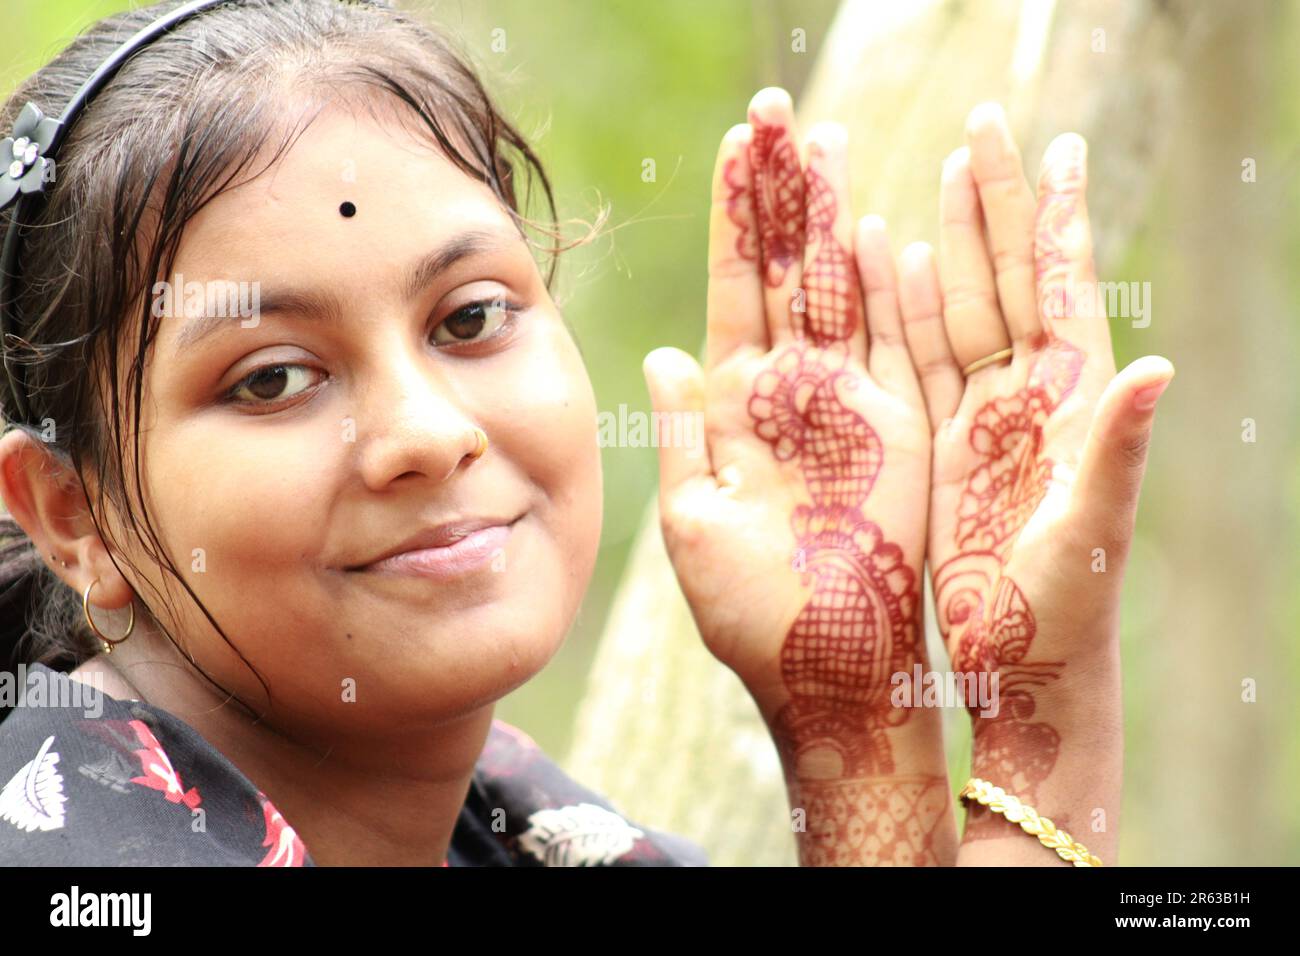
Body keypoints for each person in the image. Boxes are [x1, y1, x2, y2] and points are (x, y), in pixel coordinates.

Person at [0, 0, 1170, 867]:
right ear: (71, 511)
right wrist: (1039, 729)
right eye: (272, 379)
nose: (427, 430)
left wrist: (853, 721)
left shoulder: (518, 831)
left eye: (468, 317)